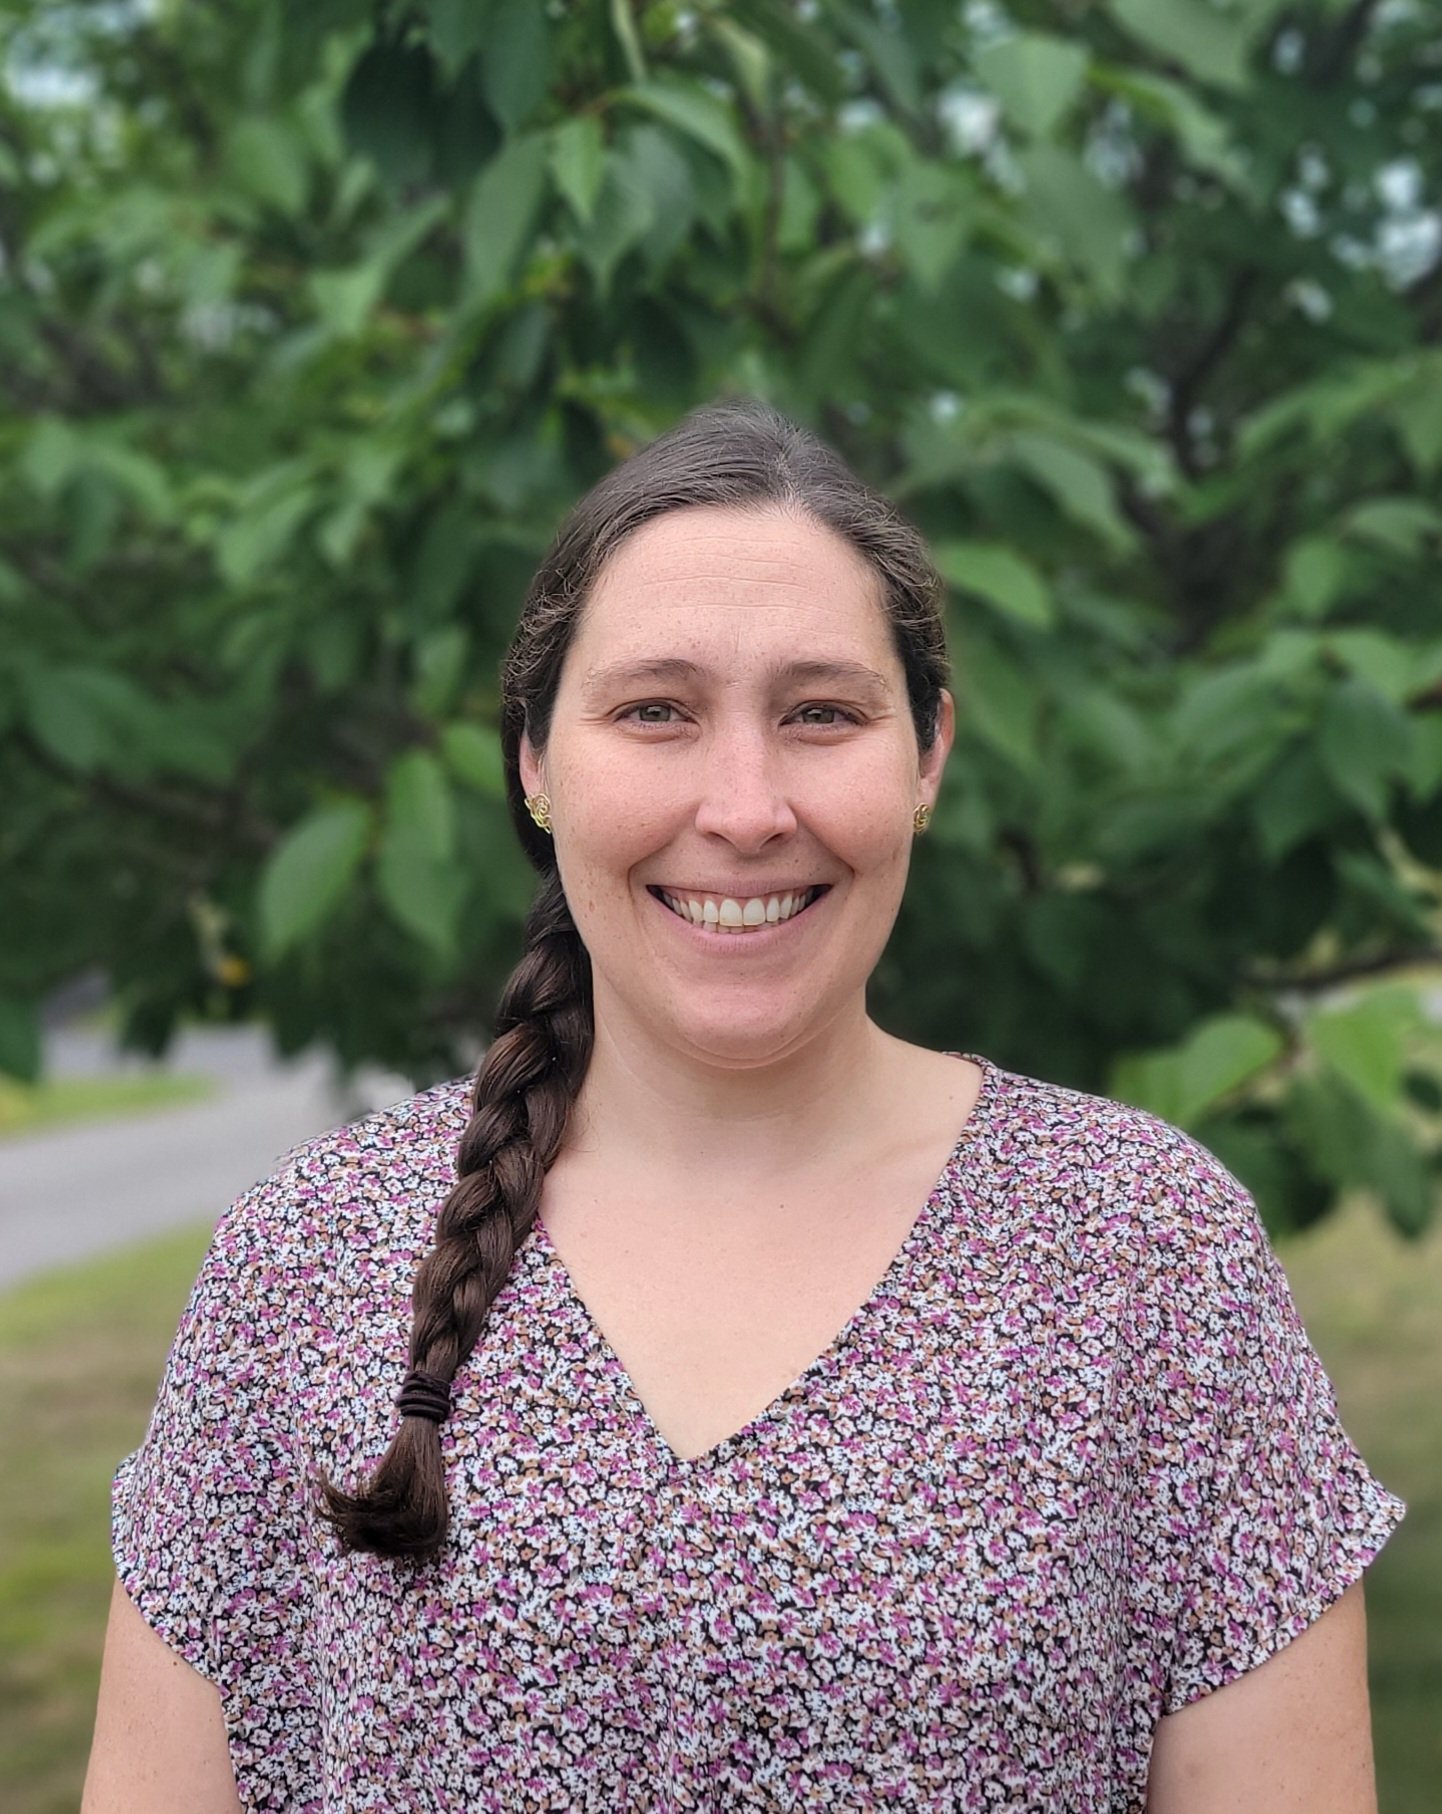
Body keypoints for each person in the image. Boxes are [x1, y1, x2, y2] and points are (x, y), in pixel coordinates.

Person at [83, 397, 1404, 1813]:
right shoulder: (307, 1262)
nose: (746, 806)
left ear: (927, 755)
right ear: (535, 760)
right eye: (654, 711)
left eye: (821, 714)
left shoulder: (1150, 1253)